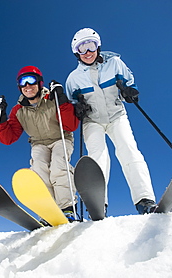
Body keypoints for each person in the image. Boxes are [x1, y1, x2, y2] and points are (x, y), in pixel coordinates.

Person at [65, 28, 156, 215]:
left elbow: (129, 81)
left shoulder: (114, 63)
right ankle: (99, 204)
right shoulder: (73, 79)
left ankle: (144, 199)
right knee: (97, 156)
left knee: (128, 150)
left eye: (91, 46)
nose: (87, 52)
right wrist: (77, 108)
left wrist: (129, 91)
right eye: (82, 48)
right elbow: (71, 103)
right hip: (92, 121)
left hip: (117, 116)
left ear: (98, 47)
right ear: (76, 53)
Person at [0, 65, 79, 222]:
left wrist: (62, 100)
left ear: (39, 82)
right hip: (39, 144)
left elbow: (70, 126)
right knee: (39, 169)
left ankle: (67, 208)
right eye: (22, 82)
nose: (27, 86)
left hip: (61, 138)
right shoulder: (18, 110)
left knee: (58, 166)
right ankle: (49, 212)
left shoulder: (51, 99)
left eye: (31, 80)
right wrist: (2, 118)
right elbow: (8, 138)